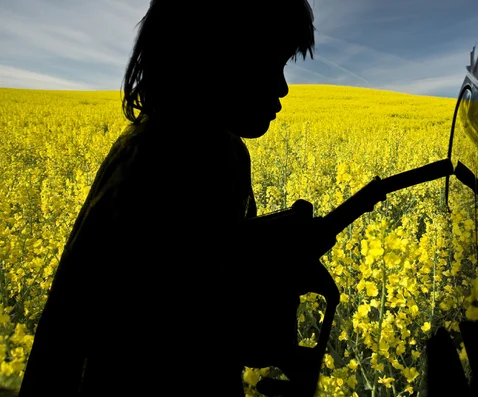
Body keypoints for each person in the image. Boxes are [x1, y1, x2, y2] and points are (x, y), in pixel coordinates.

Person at [18, 1, 319, 396]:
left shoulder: (224, 154)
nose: (282, 86)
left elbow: (207, 302)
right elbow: (86, 323)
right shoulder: (151, 160)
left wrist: (263, 249)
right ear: (212, 57)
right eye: (270, 62)